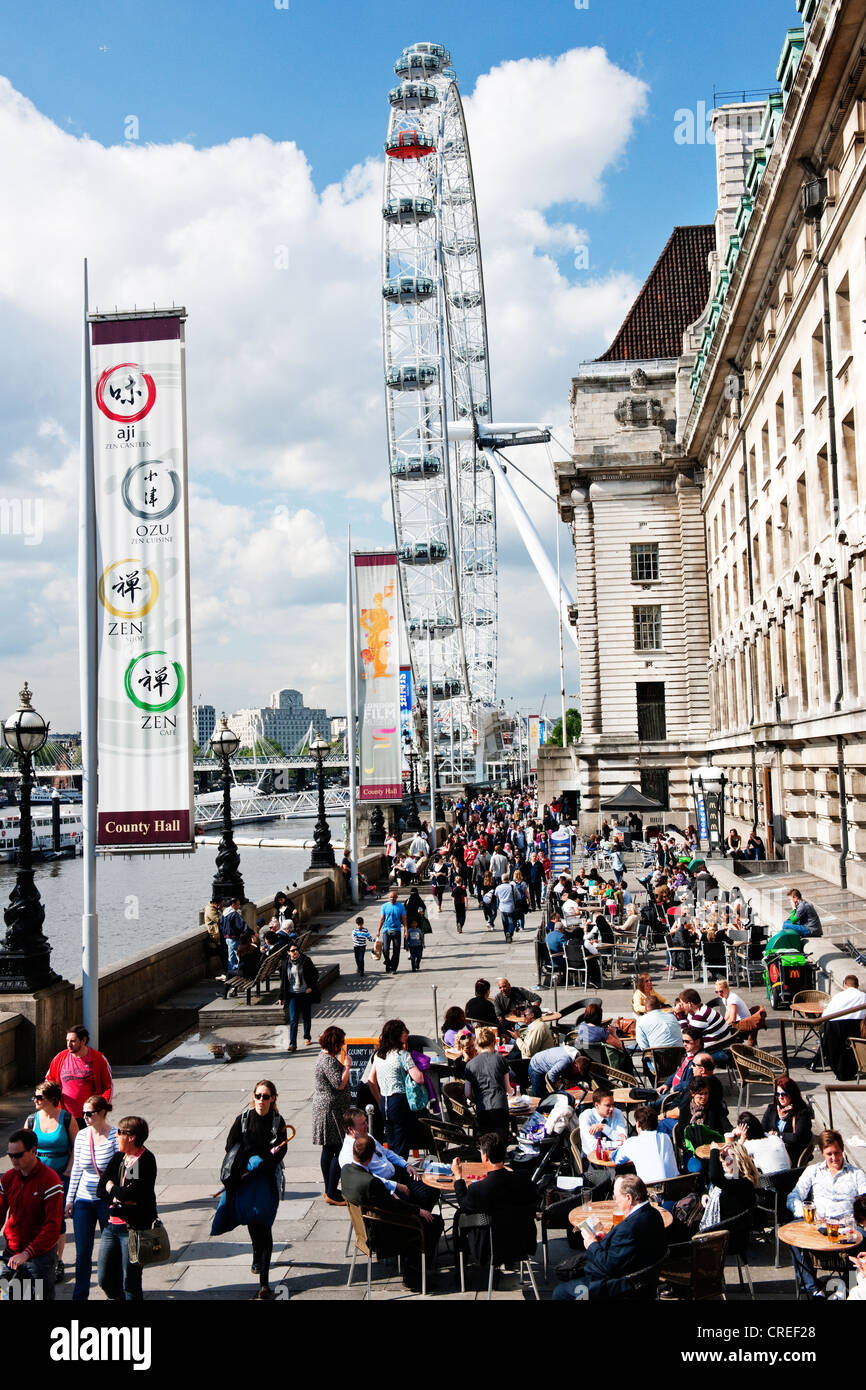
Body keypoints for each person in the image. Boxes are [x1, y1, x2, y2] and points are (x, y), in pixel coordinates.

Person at [340, 1135, 443, 1291]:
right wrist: (418, 1211)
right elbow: (394, 1207)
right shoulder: (372, 1183)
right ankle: (416, 1277)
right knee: (433, 1222)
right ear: (370, 1158)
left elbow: (388, 1203)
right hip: (381, 1232)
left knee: (422, 1209)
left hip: (365, 1226)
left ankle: (419, 1267)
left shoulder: (347, 1170)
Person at [218, 1083, 288, 1300]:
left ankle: (264, 1283)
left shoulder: (278, 1121)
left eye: (265, 1097)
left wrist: (264, 1161)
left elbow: (281, 1149)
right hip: (246, 1181)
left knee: (264, 1226)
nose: (261, 1100)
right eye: (258, 1095)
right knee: (252, 1222)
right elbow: (231, 1145)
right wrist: (246, 1163)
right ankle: (256, 1252)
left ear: (273, 1099)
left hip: (266, 1181)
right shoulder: (244, 1119)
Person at [553, 1174, 668, 1301]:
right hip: (641, 1279)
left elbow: (608, 1266)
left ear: (628, 1198)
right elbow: (629, 1248)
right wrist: (606, 1240)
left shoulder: (629, 1228)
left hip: (616, 1287)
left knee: (561, 1293)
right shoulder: (654, 1214)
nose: (614, 1200)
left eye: (616, 1196)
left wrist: (591, 1243)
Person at [787, 1129, 866, 1297]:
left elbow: (865, 1201)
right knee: (792, 1235)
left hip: (847, 1227)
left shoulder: (856, 1174)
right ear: (822, 1152)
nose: (834, 1158)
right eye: (829, 1154)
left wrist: (856, 1219)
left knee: (862, 1237)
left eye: (836, 1153)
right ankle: (812, 1288)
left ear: (842, 1150)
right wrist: (806, 1212)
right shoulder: (813, 1171)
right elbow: (793, 1196)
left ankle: (849, 1287)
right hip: (819, 1225)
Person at [451, 1129, 535, 1266]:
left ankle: (460, 1266)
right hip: (523, 1243)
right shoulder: (523, 1178)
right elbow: (533, 1200)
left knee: (459, 1215)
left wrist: (458, 1177)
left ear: (485, 1157)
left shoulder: (478, 1189)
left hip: (491, 1247)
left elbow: (464, 1205)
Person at [97, 1115, 158, 1302]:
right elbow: (100, 1189)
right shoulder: (118, 1158)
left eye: (119, 1133)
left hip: (132, 1230)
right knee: (104, 1279)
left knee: (130, 1281)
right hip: (111, 1227)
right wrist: (116, 1193)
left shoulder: (144, 1160)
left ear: (131, 1137)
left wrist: (113, 1189)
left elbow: (129, 1194)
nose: (115, 1136)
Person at [0, 1128, 64, 1301]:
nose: (13, 1160)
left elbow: (52, 1226)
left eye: (18, 1155)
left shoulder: (50, 1181)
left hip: (39, 1258)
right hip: (12, 1253)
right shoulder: (8, 1178)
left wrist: (27, 1253)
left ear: (33, 1151)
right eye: (10, 1155)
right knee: (9, 1296)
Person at [64, 1094, 117, 1301]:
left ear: (102, 1112)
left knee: (110, 1249)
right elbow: (76, 1168)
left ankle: (114, 1289)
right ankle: (80, 1295)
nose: (85, 1117)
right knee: (82, 1252)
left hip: (106, 1201)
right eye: (83, 1113)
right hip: (83, 1200)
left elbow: (120, 1171)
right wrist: (70, 1200)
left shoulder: (114, 1136)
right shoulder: (82, 1136)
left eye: (90, 1113)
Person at [26, 1080, 77, 1281]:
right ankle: (38, 1254)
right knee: (35, 1217)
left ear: (52, 1099)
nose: (35, 1101)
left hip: (59, 1177)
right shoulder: (32, 1120)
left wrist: (68, 1170)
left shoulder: (66, 1119)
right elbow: (25, 1147)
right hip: (36, 1177)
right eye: (35, 1096)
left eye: (39, 1097)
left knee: (57, 1220)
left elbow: (76, 1147)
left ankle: (57, 1259)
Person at [338, 1109, 436, 1209]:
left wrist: (405, 1164)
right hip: (387, 1186)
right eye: (363, 1123)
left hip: (398, 1173)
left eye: (366, 1121)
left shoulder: (366, 1136)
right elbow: (368, 1179)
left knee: (432, 1190)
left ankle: (421, 1217)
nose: (367, 1125)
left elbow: (386, 1153)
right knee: (420, 1202)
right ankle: (419, 1219)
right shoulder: (348, 1154)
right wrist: (395, 1186)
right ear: (351, 1129)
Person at [369, 1019, 423, 1158]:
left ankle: (392, 1171)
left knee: (391, 1140)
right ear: (397, 1035)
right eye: (404, 1031)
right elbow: (419, 1078)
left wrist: (379, 1099)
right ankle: (401, 1173)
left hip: (385, 1100)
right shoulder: (403, 1055)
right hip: (399, 1100)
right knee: (401, 1141)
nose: (407, 1033)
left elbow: (371, 1080)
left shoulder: (378, 1055)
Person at [312, 1027, 352, 1208]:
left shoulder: (325, 1058)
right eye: (341, 1041)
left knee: (329, 1148)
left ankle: (330, 1188)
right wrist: (348, 1066)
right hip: (330, 1110)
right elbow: (339, 1084)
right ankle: (331, 1191)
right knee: (338, 1148)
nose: (343, 1045)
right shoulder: (327, 1061)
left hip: (328, 1108)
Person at [45, 1025, 113, 1121]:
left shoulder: (98, 1059)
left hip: (89, 1116)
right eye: (67, 1041)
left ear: (83, 1040)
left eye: (73, 1041)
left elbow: (108, 1086)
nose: (69, 1044)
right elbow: (48, 1082)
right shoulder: (60, 1058)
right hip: (64, 1116)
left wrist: (101, 1108)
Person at [464, 1026, 515, 1132]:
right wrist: (513, 1093)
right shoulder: (501, 1059)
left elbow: (467, 1093)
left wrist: (476, 1099)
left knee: (487, 1142)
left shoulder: (470, 1065)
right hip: (500, 1105)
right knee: (501, 1142)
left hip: (482, 1107)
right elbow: (508, 1088)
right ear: (493, 1043)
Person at [614, 1105, 678, 1184]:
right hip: (675, 1187)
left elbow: (616, 1159)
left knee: (619, 1178)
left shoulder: (632, 1142)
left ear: (638, 1124)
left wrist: (624, 1145)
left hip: (651, 1190)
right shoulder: (665, 1137)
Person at [820, 974, 866, 1080]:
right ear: (857, 985)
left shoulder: (838, 996)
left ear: (845, 984)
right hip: (857, 1026)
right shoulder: (863, 996)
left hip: (836, 1026)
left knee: (836, 1046)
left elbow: (825, 1015)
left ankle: (840, 1071)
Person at [761, 1076, 813, 1164]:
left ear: (792, 1094)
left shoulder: (802, 1113)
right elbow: (762, 1129)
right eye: (777, 1094)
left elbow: (797, 1138)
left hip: (791, 1154)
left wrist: (776, 1134)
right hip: (772, 1151)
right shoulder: (772, 1109)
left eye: (783, 1094)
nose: (780, 1097)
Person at [279, 943, 319, 1051]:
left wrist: (310, 987)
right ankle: (292, 1044)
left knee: (306, 1016)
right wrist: (281, 996)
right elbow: (283, 981)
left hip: (304, 993)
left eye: (296, 950)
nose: (295, 952)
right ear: (288, 953)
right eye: (292, 950)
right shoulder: (285, 963)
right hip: (292, 994)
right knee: (293, 1019)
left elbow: (315, 974)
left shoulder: (306, 961)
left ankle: (307, 1036)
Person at [725, 1111, 790, 1176]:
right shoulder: (776, 1138)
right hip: (789, 1179)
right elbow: (790, 1162)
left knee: (731, 1174)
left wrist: (742, 1138)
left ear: (743, 1131)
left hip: (768, 1182)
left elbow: (732, 1160)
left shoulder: (750, 1144)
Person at [578, 1088, 628, 1160]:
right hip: (592, 1158)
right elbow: (593, 1145)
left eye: (613, 1105)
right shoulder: (586, 1116)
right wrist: (616, 1144)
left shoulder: (617, 1113)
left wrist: (604, 1128)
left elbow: (623, 1138)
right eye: (608, 1105)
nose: (612, 1109)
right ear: (597, 1105)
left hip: (615, 1156)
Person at [376, 887, 407, 974]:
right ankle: (388, 963)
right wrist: (378, 930)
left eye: (394, 897)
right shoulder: (384, 906)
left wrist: (406, 930)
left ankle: (393, 968)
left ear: (397, 898)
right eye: (390, 897)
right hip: (386, 930)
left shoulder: (400, 906)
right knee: (385, 949)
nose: (392, 899)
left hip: (397, 930)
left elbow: (404, 919)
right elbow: (382, 919)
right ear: (388, 898)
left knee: (396, 951)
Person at [221, 896, 247, 972]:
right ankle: (240, 970)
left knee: (231, 955)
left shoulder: (224, 912)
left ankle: (230, 971)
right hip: (234, 937)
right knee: (239, 954)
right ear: (233, 904)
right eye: (238, 905)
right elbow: (241, 925)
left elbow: (221, 924)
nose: (239, 906)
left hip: (227, 937)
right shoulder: (234, 914)